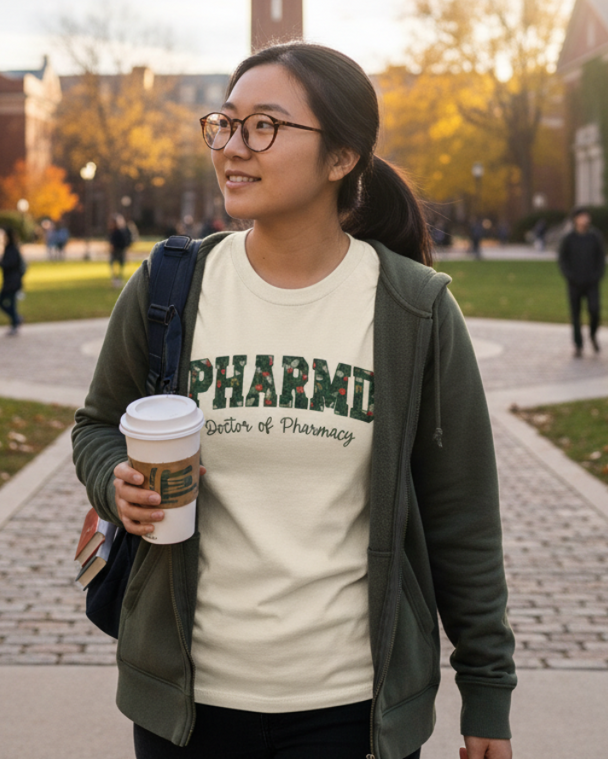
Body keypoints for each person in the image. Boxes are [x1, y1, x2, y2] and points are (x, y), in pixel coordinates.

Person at [72, 43, 515, 759]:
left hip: (349, 707)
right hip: (183, 700)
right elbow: (97, 424)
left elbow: (462, 515)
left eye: (264, 127)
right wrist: (114, 480)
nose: (233, 148)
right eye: (226, 124)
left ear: (341, 157)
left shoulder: (415, 310)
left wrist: (487, 694)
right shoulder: (169, 286)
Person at [557, 206, 606, 358]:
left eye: (587, 216)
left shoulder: (595, 237)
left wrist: (597, 275)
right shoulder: (569, 238)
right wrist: (569, 276)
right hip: (574, 283)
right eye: (582, 216)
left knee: (594, 310)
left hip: (592, 283)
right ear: (575, 219)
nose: (585, 219)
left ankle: (593, 334)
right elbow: (562, 260)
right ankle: (578, 344)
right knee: (575, 315)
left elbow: (601, 258)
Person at [0, 227, 26, 335]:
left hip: (12, 281)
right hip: (10, 280)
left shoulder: (12, 249)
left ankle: (15, 321)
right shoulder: (10, 248)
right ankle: (15, 320)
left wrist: (0, 264)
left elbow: (10, 264)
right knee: (7, 303)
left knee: (5, 302)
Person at [108, 214, 133, 287]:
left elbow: (123, 241)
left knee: (118, 264)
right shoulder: (114, 231)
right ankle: (116, 278)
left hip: (119, 250)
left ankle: (118, 278)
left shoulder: (119, 232)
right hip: (118, 250)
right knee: (116, 264)